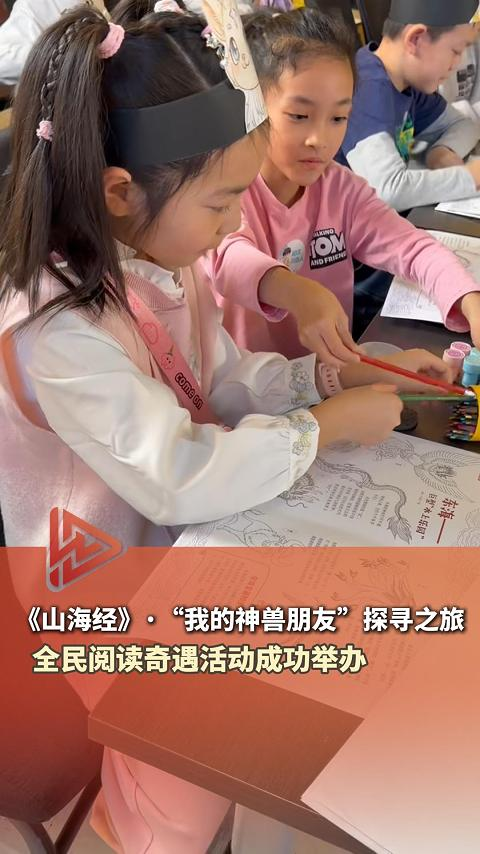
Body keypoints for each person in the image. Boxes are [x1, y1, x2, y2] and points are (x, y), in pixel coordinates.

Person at [0, 1, 458, 851]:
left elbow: (223, 382)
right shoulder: (57, 331)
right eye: (222, 205)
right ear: (119, 192)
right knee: (211, 757)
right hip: (99, 588)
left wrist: (331, 376)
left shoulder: (158, 261)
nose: (236, 228)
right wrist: (323, 427)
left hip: (192, 544)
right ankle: (147, 815)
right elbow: (175, 473)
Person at [208, 7, 480, 359]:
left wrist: (468, 298)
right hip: (254, 388)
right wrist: (296, 292)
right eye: (299, 116)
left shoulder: (341, 190)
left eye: (338, 118)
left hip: (334, 376)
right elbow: (228, 257)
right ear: (254, 106)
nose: (320, 140)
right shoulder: (228, 192)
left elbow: (413, 248)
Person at [336, 0, 480, 211]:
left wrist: (441, 151)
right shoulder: (365, 86)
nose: (456, 64)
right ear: (416, 39)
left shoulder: (408, 84)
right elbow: (386, 190)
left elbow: (464, 125)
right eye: (456, 51)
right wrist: (470, 178)